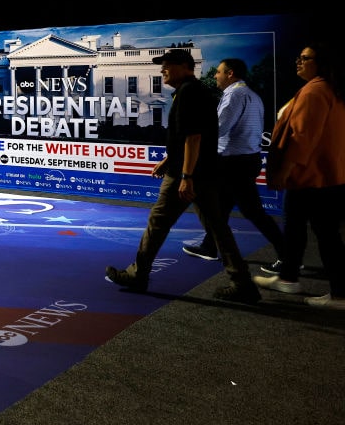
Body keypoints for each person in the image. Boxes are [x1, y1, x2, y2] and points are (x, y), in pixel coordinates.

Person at [105, 48, 261, 303]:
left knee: (158, 222)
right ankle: (242, 282)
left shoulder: (188, 93)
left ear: (185, 66)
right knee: (217, 228)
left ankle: (137, 274)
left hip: (188, 174)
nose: (162, 69)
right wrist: (170, 159)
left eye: (167, 64)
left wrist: (186, 175)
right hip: (203, 172)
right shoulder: (193, 91)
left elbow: (194, 136)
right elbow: (192, 135)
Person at [253, 42, 345, 309]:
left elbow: (302, 138)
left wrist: (285, 170)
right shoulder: (326, 89)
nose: (299, 61)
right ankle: (288, 277)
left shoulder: (315, 91)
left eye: (305, 58)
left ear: (321, 62)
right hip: (319, 176)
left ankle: (340, 293)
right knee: (294, 227)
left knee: (326, 236)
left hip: (312, 177)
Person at [182, 58, 289, 271]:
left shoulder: (233, 95)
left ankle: (289, 257)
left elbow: (218, 129)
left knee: (252, 211)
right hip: (246, 159)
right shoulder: (252, 95)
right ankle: (209, 246)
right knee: (219, 209)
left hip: (233, 163)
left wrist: (194, 134)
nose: (215, 76)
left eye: (219, 72)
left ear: (230, 73)